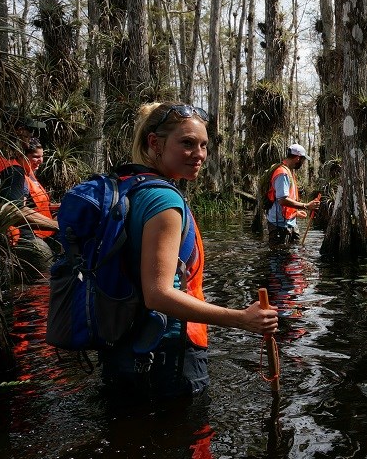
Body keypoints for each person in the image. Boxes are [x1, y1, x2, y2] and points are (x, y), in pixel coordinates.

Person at [98, 101, 278, 401]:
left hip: (123, 345)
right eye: (187, 143)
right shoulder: (163, 202)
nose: (199, 155)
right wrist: (241, 319)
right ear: (155, 143)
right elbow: (158, 293)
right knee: (188, 444)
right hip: (167, 353)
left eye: (204, 145)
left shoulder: (127, 186)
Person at [0, 114, 58, 250]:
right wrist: (57, 225)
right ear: (17, 132)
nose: (29, 139)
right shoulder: (11, 169)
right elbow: (12, 211)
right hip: (18, 240)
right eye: (28, 134)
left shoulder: (21, 171)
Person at [265, 144, 320, 244]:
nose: (303, 163)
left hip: (289, 222)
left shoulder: (289, 171)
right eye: (303, 160)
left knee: (294, 253)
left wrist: (295, 213)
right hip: (279, 225)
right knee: (279, 255)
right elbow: (282, 200)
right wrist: (306, 206)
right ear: (298, 158)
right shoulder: (282, 173)